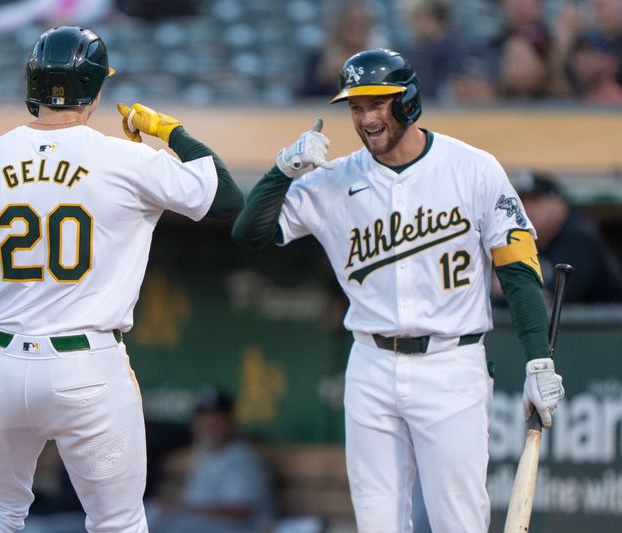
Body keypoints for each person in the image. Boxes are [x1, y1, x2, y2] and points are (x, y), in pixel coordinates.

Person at [0, 25, 243, 533]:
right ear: (96, 92)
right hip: (87, 367)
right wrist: (169, 133)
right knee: (117, 521)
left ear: (32, 88)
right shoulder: (126, 159)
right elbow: (228, 198)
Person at [231, 49, 565, 532]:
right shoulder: (333, 179)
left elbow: (517, 269)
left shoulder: (473, 167)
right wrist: (282, 170)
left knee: (459, 521)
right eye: (356, 107)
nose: (365, 118)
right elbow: (249, 233)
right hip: (370, 363)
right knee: (377, 523)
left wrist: (538, 356)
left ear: (408, 101)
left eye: (377, 103)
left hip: (452, 363)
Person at [147, 388, 274, 533]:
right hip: (204, 523)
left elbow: (240, 512)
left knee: (166, 522)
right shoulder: (206, 454)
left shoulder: (243, 458)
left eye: (216, 420)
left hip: (242, 527)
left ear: (230, 421)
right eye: (204, 419)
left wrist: (185, 510)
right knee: (152, 512)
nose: (209, 426)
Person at [513, 171, 622, 303]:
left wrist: (508, 289)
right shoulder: (531, 240)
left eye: (536, 200)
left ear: (559, 204)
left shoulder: (580, 237)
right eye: (523, 201)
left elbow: (549, 302)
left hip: (608, 322)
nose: (527, 208)